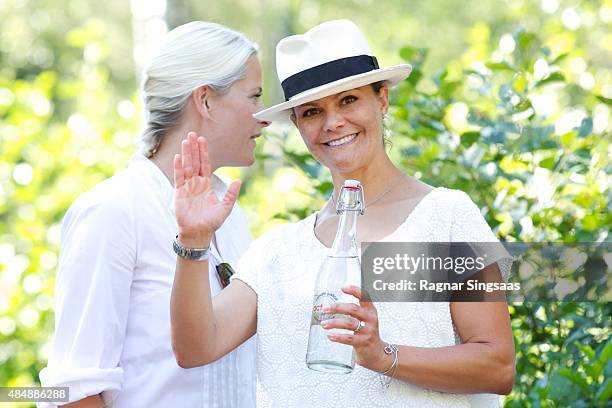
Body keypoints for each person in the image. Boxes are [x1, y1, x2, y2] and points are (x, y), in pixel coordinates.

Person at [170, 19, 515, 407]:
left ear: (381, 99)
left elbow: (497, 365)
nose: (333, 123)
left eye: (349, 100)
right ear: (298, 125)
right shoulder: (276, 253)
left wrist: (382, 356)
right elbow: (195, 348)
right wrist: (193, 242)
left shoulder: (445, 216)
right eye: (313, 111)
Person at [38, 21, 269, 407]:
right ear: (206, 100)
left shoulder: (232, 216)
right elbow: (72, 390)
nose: (264, 116)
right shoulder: (112, 213)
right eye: (254, 96)